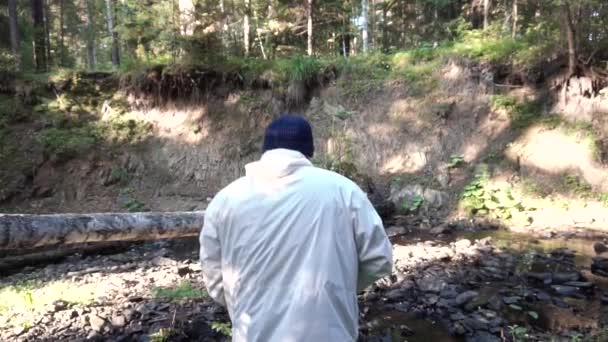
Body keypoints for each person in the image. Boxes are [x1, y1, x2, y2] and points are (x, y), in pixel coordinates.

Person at [200, 114, 393, 341]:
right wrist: (340, 287)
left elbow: (214, 280)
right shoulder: (344, 191)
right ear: (308, 151)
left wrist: (245, 301)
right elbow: (380, 260)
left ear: (265, 151)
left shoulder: (225, 199)